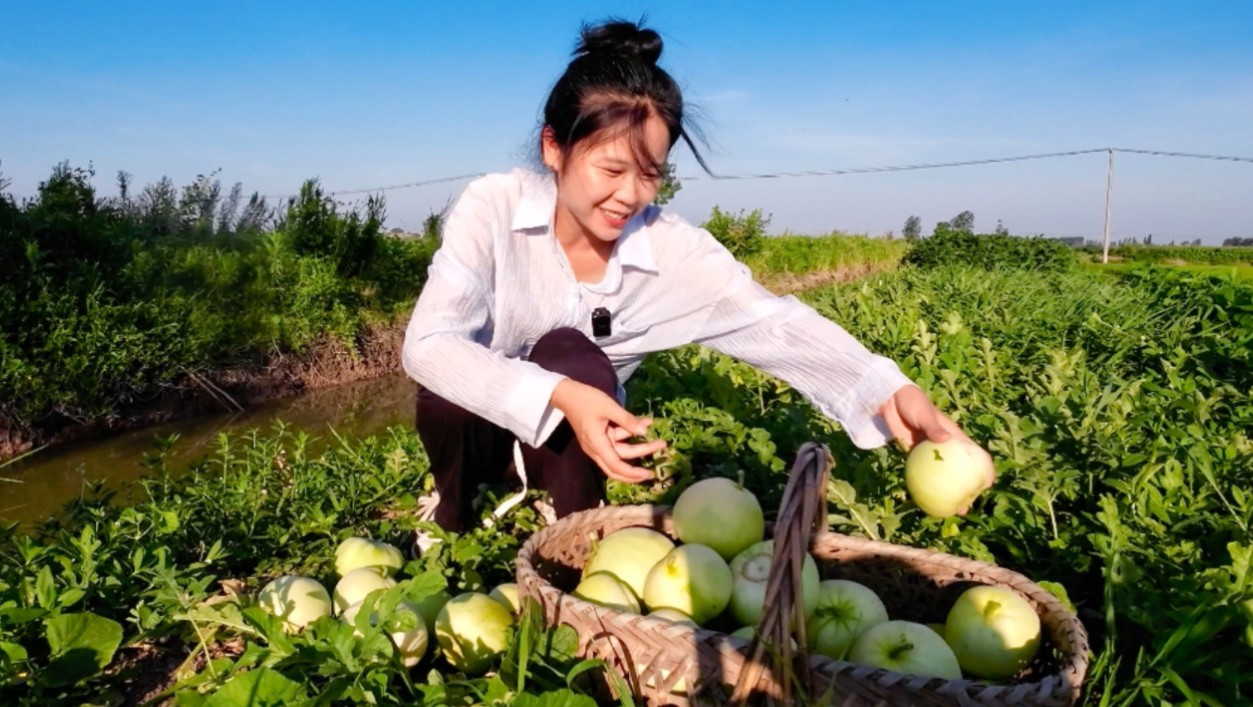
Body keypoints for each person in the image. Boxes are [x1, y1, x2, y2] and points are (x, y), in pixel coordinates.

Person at [402, 18, 991, 536]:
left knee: (571, 353)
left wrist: (888, 390)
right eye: (610, 168)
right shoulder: (494, 207)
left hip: (578, 450)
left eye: (650, 174)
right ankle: (452, 513)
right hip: (479, 427)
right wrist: (560, 395)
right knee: (462, 386)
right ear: (553, 147)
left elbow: (774, 324)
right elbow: (428, 344)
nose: (629, 195)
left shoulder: (671, 251)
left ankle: (574, 533)